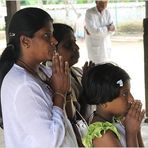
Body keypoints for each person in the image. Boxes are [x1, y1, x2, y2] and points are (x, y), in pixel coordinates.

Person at [0, 7, 78, 148]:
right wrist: (59, 93)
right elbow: (50, 142)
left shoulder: (42, 71)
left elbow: (68, 117)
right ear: (25, 41)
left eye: (53, 34)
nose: (54, 41)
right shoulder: (23, 86)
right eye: (47, 35)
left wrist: (64, 91)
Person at [46, 23, 95, 146]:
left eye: (75, 42)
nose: (76, 47)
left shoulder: (77, 71)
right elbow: (74, 117)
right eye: (68, 45)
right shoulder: (53, 79)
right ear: (53, 49)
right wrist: (87, 87)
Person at [81, 63, 145, 147]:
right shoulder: (103, 136)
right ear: (104, 101)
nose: (131, 99)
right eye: (125, 94)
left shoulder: (116, 121)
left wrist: (136, 129)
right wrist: (131, 133)